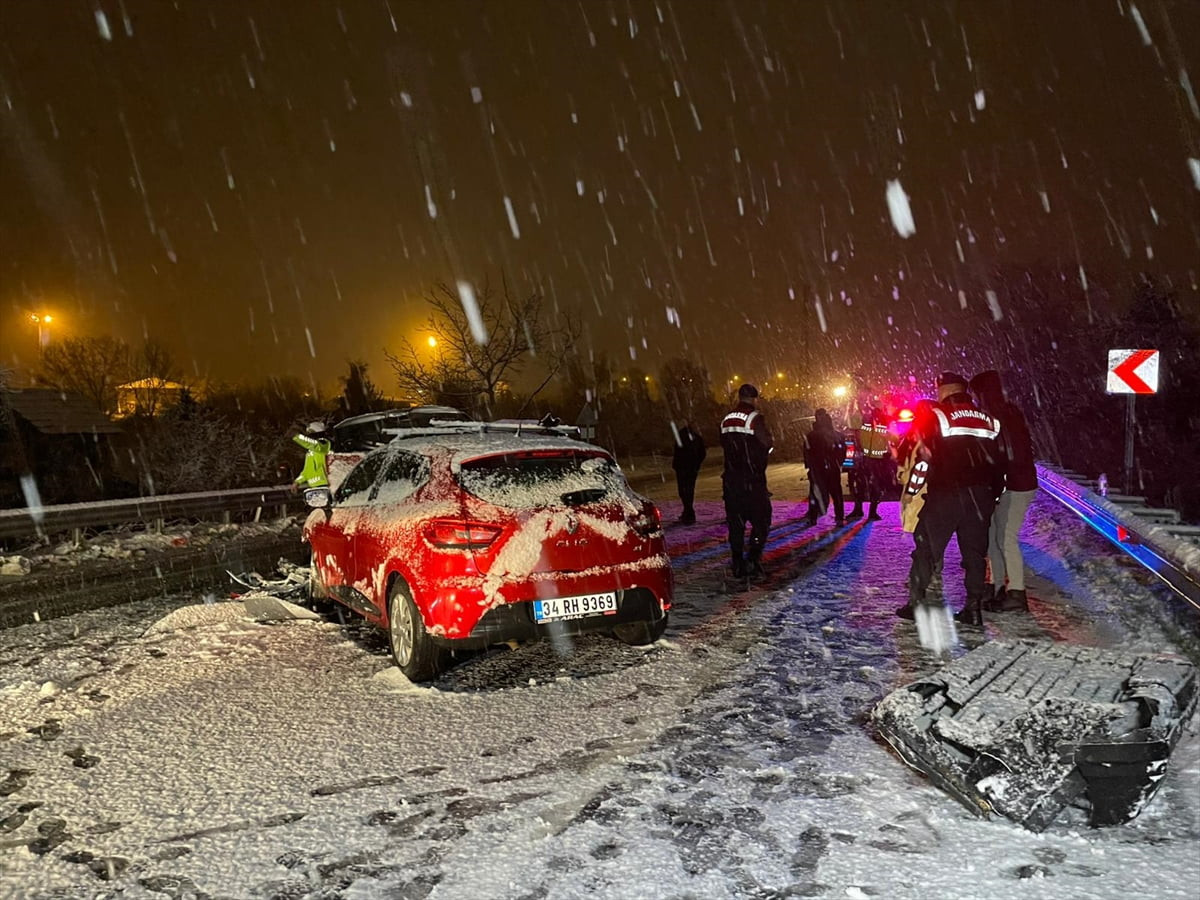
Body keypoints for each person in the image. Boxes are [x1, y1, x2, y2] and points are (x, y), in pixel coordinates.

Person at [898, 373, 1002, 628]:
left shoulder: (938, 416)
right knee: (974, 555)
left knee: (926, 550)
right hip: (980, 496)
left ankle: (916, 603)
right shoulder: (990, 420)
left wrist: (912, 490)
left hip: (945, 495)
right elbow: (1002, 462)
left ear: (944, 390)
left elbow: (924, 460)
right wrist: (993, 495)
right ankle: (973, 608)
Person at [970, 370, 1038, 613]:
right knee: (996, 537)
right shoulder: (1007, 412)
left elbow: (1006, 453)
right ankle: (1000, 588)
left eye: (977, 395)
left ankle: (1016, 592)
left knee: (1006, 537)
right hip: (1011, 482)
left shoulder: (999, 415)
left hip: (1015, 484)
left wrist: (998, 478)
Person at [720, 383, 774, 578]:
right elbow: (767, 443)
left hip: (731, 481)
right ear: (754, 399)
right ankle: (753, 557)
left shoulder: (726, 419)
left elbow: (726, 446)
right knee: (762, 520)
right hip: (752, 481)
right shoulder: (754, 418)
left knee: (736, 524)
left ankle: (737, 562)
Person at [847, 406, 892, 521]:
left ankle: (872, 512)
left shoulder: (885, 428)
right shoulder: (864, 427)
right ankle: (859, 509)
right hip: (864, 461)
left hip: (878, 462)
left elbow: (894, 440)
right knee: (859, 486)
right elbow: (853, 425)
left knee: (875, 488)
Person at [804, 408, 846, 526]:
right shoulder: (836, 435)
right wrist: (838, 462)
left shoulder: (811, 435)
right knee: (836, 493)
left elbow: (807, 452)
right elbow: (842, 450)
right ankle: (839, 517)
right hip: (832, 467)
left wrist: (810, 466)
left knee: (815, 493)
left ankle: (813, 517)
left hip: (818, 468)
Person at [671, 420, 707, 524]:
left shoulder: (681, 436)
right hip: (691, 468)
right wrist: (696, 464)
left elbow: (678, 452)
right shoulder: (696, 437)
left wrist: (677, 464)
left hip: (683, 468)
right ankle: (688, 512)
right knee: (688, 491)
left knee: (684, 491)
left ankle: (689, 513)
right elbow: (702, 453)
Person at [291, 421, 331, 492]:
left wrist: (297, 436)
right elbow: (306, 471)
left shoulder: (324, 445)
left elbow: (313, 444)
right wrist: (297, 482)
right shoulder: (309, 452)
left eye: (310, 433)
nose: (309, 436)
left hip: (326, 485)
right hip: (313, 487)